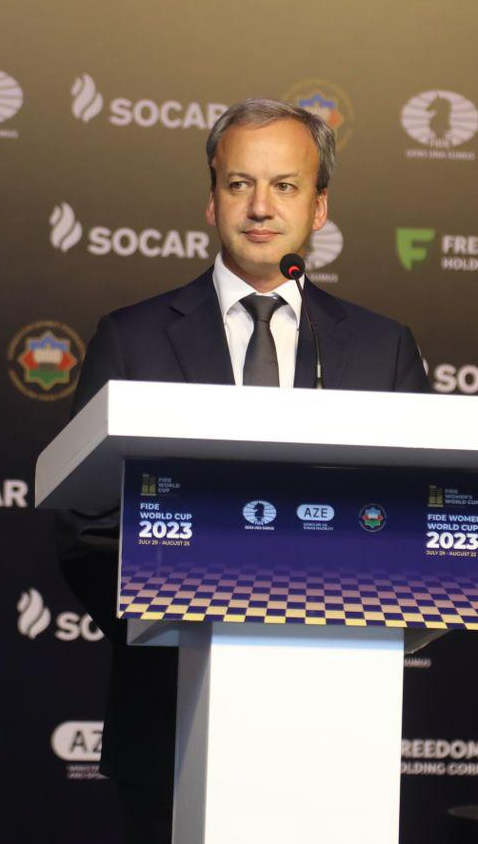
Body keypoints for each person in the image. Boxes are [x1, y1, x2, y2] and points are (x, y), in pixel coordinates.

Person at [56, 97, 430, 843]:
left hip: (337, 720)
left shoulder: (381, 348)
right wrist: (191, 621)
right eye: (240, 184)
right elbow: (86, 522)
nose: (261, 206)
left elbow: (419, 517)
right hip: (172, 712)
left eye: (285, 185)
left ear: (319, 207)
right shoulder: (132, 339)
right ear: (212, 200)